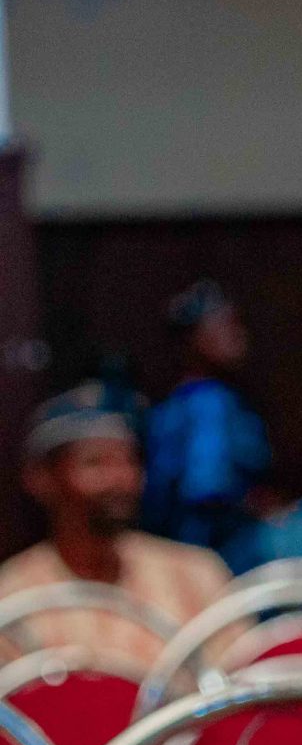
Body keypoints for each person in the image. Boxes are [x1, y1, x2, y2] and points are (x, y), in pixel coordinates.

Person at [0, 385, 231, 672]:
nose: (120, 479)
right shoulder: (11, 598)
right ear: (43, 478)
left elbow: (238, 684)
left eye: (128, 461)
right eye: (95, 463)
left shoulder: (196, 575)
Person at [142, 281, 274, 574]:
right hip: (217, 559)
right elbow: (207, 493)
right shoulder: (208, 403)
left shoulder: (182, 402)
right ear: (195, 338)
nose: (239, 334)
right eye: (226, 324)